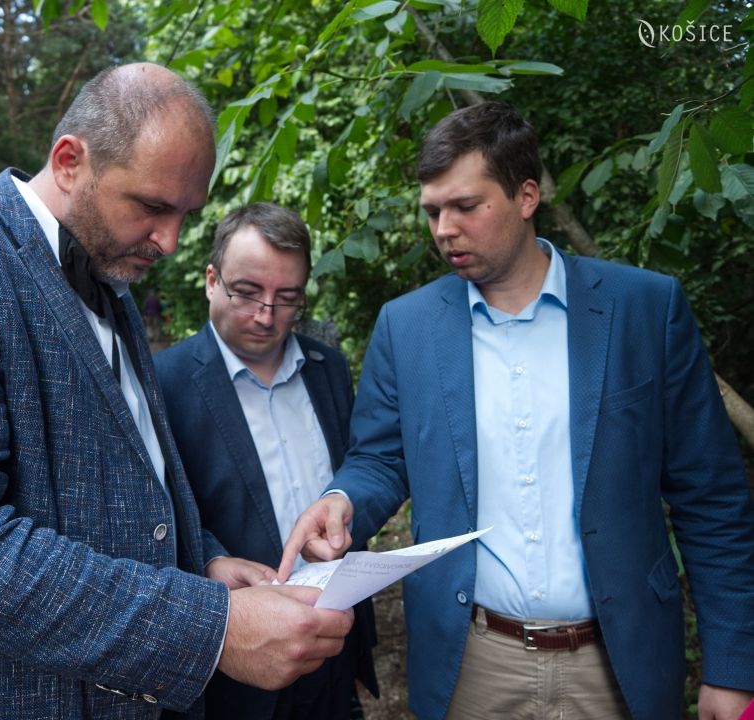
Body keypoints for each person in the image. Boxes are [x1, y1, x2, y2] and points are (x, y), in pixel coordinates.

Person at [0, 62, 354, 720]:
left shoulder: (112, 287)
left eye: (185, 214)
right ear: (69, 161)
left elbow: (123, 481)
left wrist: (201, 560)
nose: (171, 241)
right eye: (152, 207)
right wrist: (210, 628)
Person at [278, 102, 754, 720]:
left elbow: (711, 496)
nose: (444, 229)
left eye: (465, 206)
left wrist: (732, 665)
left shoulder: (644, 309)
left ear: (526, 196)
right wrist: (342, 500)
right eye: (432, 211)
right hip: (473, 663)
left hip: (621, 660)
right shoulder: (407, 327)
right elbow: (381, 457)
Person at [154, 203, 379, 720]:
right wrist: (208, 560)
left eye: (287, 298)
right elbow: (154, 511)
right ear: (212, 281)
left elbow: (356, 471)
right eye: (248, 292)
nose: (266, 315)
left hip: (334, 638)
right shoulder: (162, 382)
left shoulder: (328, 368)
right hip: (237, 667)